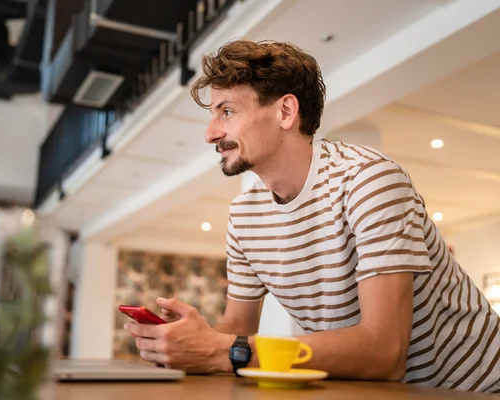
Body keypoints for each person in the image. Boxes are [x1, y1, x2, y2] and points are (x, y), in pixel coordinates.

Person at [124, 40, 500, 393]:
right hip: (387, 394)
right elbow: (236, 330)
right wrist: (188, 342)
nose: (210, 134)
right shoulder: (243, 215)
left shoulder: (368, 181)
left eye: (227, 111)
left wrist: (224, 351)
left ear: (285, 111)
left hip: (478, 388)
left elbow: (385, 352)